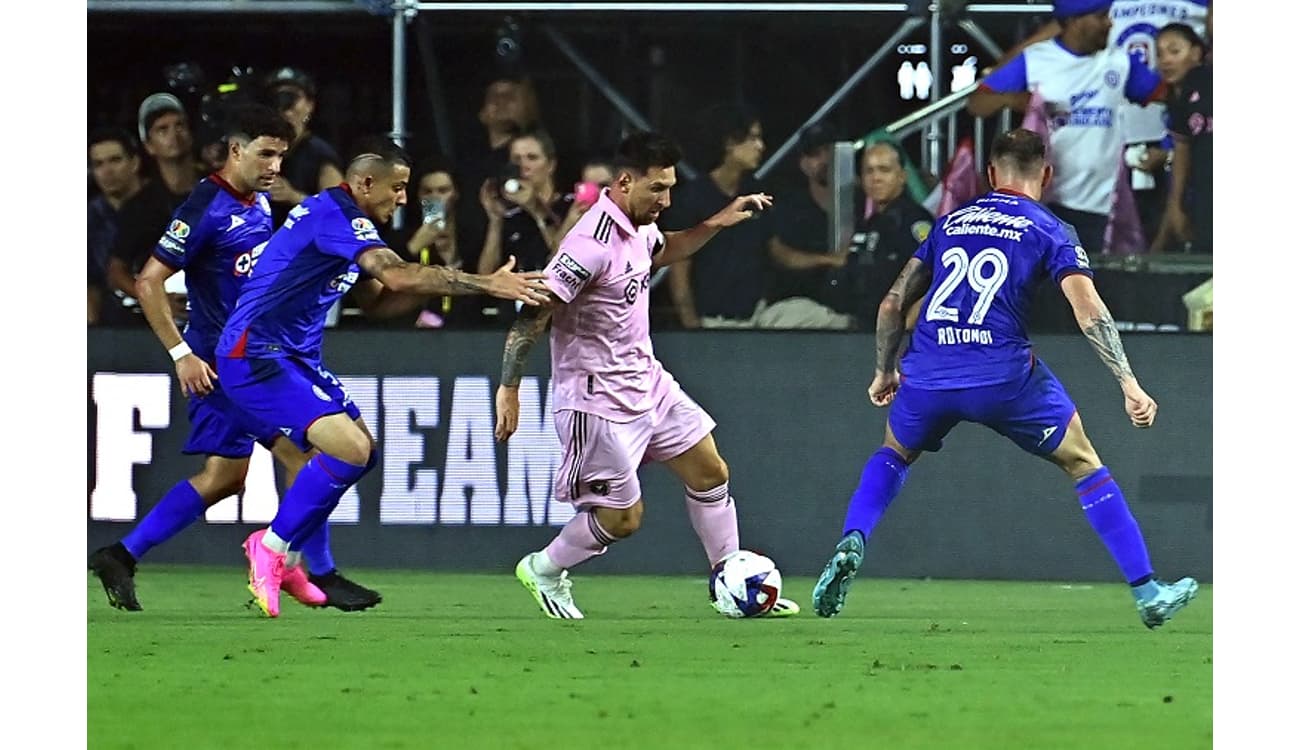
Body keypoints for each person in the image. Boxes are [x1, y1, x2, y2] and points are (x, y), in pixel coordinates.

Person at [810, 129, 1198, 630]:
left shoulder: (949, 222)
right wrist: (1127, 381)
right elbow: (1088, 309)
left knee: (892, 453)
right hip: (1003, 378)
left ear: (990, 174)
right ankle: (1148, 592)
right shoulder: (1050, 229)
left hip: (928, 372)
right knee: (1084, 463)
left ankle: (853, 538)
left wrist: (886, 370)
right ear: (1047, 175)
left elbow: (891, 303)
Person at [214, 138, 550, 618]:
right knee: (346, 450)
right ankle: (269, 548)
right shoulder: (338, 216)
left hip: (294, 357)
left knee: (361, 454)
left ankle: (287, 559)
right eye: (397, 187)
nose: (403, 199)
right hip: (255, 354)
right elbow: (394, 276)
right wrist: (484, 284)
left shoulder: (348, 223)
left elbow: (377, 302)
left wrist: (442, 290)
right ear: (365, 182)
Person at [492, 130, 797, 620]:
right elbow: (535, 313)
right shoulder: (588, 245)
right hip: (596, 399)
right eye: (657, 188)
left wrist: (716, 222)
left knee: (710, 470)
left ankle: (731, 581)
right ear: (625, 182)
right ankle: (544, 568)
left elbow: (662, 249)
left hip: (646, 381)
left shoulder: (638, 225)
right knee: (623, 518)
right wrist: (510, 387)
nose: (666, 199)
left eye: (670, 187)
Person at [87, 105, 381, 613]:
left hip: (249, 355)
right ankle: (314, 571)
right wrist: (180, 353)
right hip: (224, 362)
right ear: (235, 150)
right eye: (265, 154)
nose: (274, 166)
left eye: (282, 156)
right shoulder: (206, 206)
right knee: (309, 457)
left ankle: (121, 554)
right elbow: (148, 280)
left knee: (226, 477)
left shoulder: (259, 203)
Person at [967, 0, 1166, 256]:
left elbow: (1165, 94)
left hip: (1102, 205)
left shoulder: (1119, 62)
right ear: (1074, 21)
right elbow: (977, 104)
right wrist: (1012, 100)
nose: (1110, 23)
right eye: (1101, 16)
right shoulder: (1037, 59)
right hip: (1045, 202)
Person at [663, 103, 771, 328]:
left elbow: (776, 249)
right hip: (715, 322)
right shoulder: (692, 198)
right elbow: (679, 270)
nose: (760, 146)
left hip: (760, 318)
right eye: (753, 138)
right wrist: (692, 327)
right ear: (730, 142)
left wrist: (825, 259)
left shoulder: (756, 191)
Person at [477, 128, 576, 323]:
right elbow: (486, 277)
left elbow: (567, 259)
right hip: (515, 319)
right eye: (516, 160)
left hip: (562, 317)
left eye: (532, 158)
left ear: (550, 165)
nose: (523, 167)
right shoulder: (511, 215)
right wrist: (495, 220)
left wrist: (537, 209)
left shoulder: (572, 207)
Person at [832, 141, 934, 328]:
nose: (875, 178)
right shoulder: (868, 224)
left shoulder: (915, 221)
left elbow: (927, 280)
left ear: (902, 176)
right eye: (868, 171)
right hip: (858, 326)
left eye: (884, 170)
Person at [1151, 23, 1212, 254]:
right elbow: (1183, 150)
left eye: (1174, 51)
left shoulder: (1204, 82)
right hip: (1202, 201)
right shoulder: (1181, 98)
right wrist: (1176, 207)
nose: (1165, 60)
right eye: (1160, 54)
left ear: (1197, 53)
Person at [262, 66, 346, 228]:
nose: (285, 106)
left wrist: (294, 196)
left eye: (291, 98)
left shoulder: (319, 154)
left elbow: (339, 211)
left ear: (309, 105)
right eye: (278, 98)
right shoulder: (262, 149)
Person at [88, 127, 145, 325]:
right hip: (113, 329)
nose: (107, 171)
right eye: (98, 164)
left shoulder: (160, 204)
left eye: (115, 160)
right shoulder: (90, 219)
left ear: (135, 163)